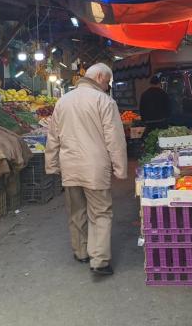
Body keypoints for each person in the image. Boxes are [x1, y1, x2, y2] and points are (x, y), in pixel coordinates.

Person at [45, 63, 127, 276]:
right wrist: (120, 169)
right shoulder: (104, 101)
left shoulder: (63, 101)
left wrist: (51, 165)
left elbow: (52, 137)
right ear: (99, 77)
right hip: (95, 168)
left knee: (76, 210)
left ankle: (81, 251)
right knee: (100, 212)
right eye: (107, 82)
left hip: (69, 167)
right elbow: (115, 139)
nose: (107, 87)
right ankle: (99, 261)